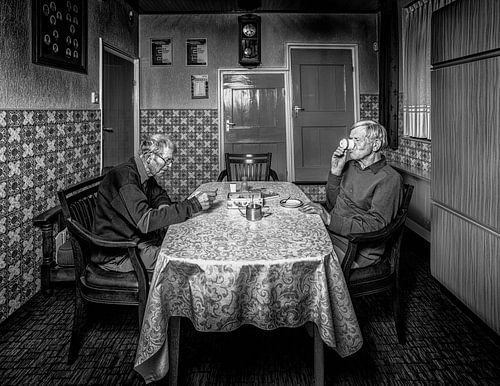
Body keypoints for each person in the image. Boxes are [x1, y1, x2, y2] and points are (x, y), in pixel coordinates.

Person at [92, 134, 213, 272]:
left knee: (188, 241)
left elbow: (159, 195)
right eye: (166, 160)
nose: (170, 166)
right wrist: (192, 205)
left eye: (171, 161)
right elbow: (146, 221)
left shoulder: (142, 172)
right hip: (119, 253)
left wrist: (164, 210)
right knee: (185, 258)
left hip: (138, 240)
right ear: (149, 156)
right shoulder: (126, 179)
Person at [300, 120, 403, 268]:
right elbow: (332, 204)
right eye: (350, 139)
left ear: (375, 145)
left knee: (303, 264)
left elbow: (376, 225)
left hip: (356, 250)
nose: (350, 144)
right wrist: (335, 172)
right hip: (331, 234)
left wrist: (329, 219)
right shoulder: (350, 166)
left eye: (357, 140)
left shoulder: (389, 178)